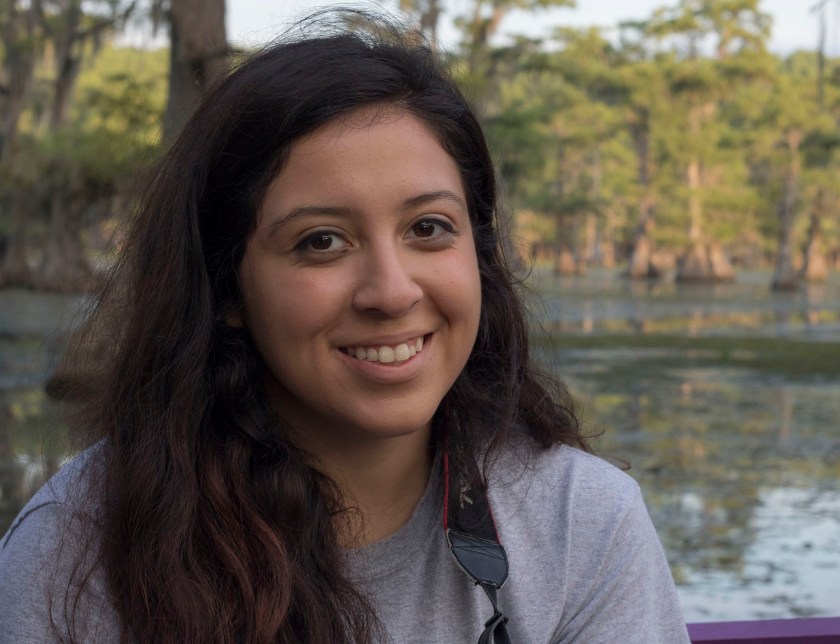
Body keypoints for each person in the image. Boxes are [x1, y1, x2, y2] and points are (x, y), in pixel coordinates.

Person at [0, 11, 690, 644]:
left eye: (428, 228)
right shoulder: (79, 547)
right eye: (321, 241)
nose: (392, 291)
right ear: (227, 286)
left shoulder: (579, 525)